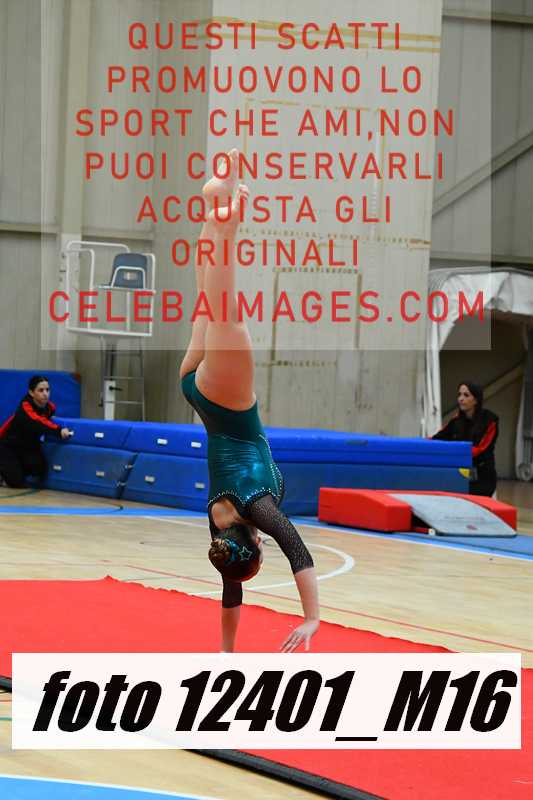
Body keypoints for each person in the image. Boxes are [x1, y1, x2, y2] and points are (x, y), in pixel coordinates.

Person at [179, 150, 319, 653]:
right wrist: (226, 655)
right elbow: (230, 593)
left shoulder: (257, 509)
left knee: (224, 311)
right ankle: (214, 206)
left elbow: (297, 549)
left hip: (230, 405)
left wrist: (312, 619)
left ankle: (227, 225)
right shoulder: (219, 529)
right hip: (196, 392)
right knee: (207, 300)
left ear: (255, 542)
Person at [0, 375, 70, 488]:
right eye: (41, 390)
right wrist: (59, 430)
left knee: (40, 469)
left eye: (47, 390)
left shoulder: (50, 408)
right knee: (17, 482)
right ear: (31, 392)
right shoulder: (25, 407)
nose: (45, 394)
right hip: (8, 447)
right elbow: (38, 421)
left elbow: (48, 417)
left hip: (27, 447)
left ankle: (13, 469)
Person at [432, 382, 499, 496]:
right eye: (459, 395)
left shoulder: (490, 420)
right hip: (460, 474)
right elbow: (437, 438)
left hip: (482, 476)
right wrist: (420, 444)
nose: (461, 399)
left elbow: (480, 448)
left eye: (466, 395)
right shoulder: (456, 420)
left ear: (476, 400)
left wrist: (455, 452)